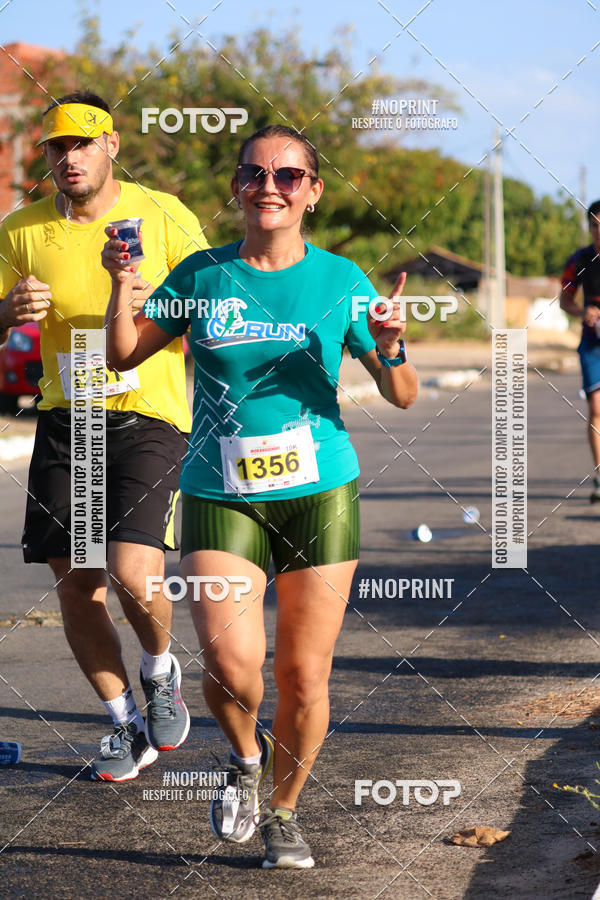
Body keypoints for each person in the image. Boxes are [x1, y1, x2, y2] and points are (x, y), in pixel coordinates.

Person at [103, 124, 418, 867]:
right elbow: (122, 354)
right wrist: (123, 285)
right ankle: (245, 761)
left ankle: (283, 809)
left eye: (287, 175)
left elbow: (401, 393)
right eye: (254, 174)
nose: (268, 187)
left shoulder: (342, 281)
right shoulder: (202, 275)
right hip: (220, 491)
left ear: (311, 190)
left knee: (304, 675)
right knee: (229, 663)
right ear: (237, 187)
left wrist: (394, 343)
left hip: (320, 493)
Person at [0, 90, 209, 781]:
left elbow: (216, 303)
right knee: (77, 582)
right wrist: (5, 311)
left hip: (149, 411)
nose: (69, 158)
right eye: (56, 148)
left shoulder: (161, 213)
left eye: (81, 144)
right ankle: (123, 727)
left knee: (129, 569)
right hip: (72, 416)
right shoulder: (22, 229)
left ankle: (159, 670)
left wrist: (168, 308)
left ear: (111, 144)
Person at [560, 200, 600, 503]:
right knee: (597, 410)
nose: (599, 232)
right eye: (594, 225)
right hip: (591, 345)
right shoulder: (581, 259)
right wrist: (582, 311)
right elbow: (565, 301)